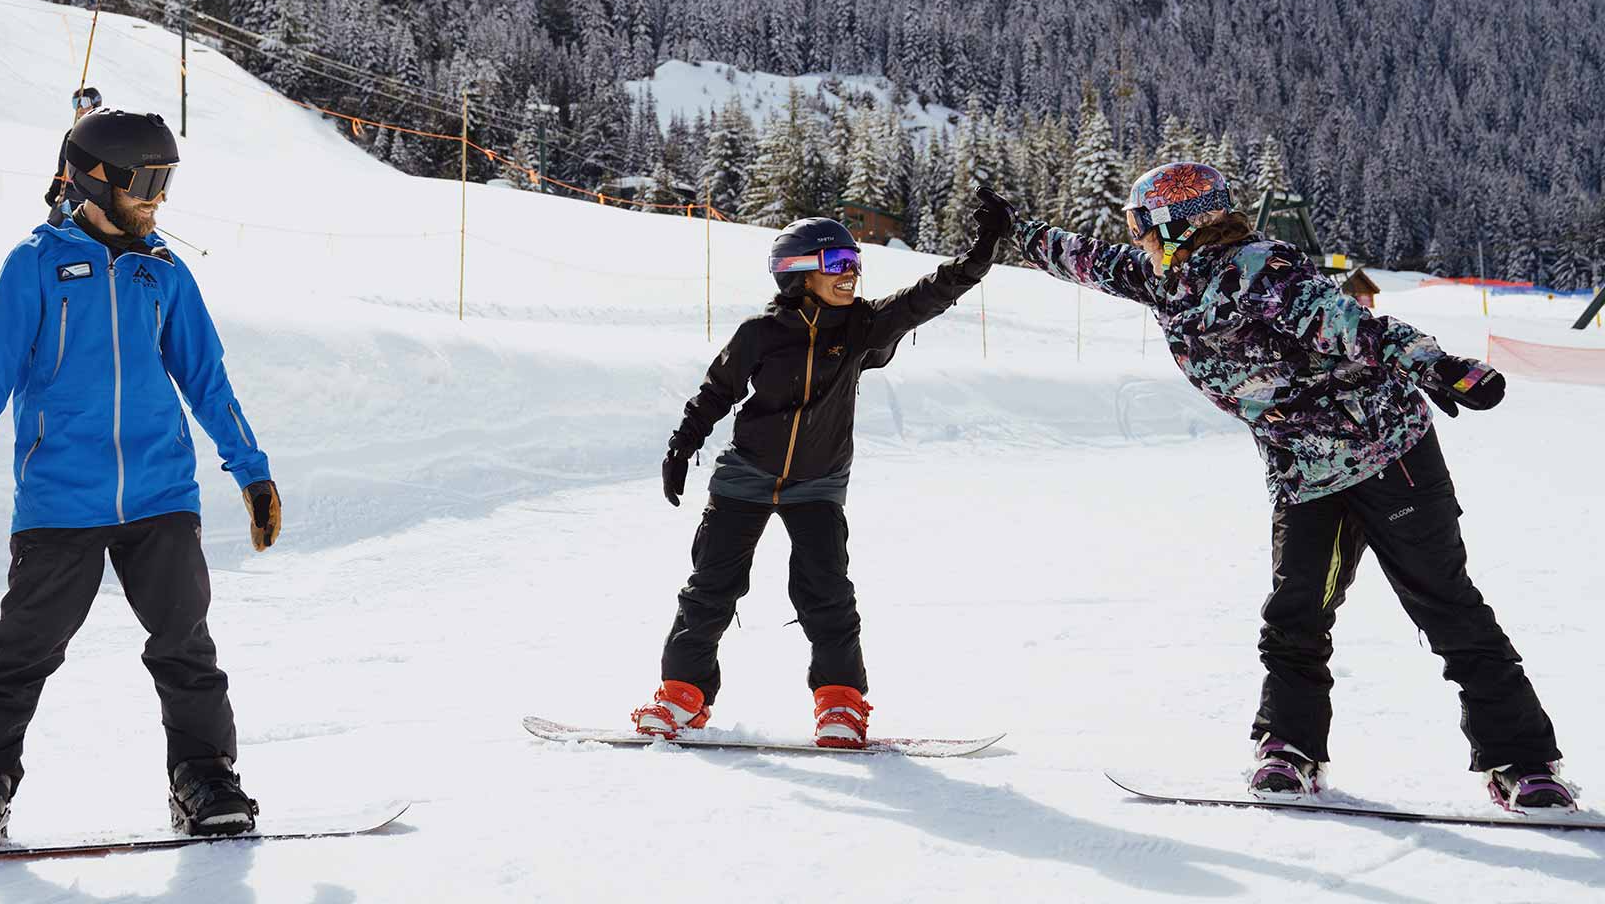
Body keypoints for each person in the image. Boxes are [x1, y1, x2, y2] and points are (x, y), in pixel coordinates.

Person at [997, 162, 1574, 810]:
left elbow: (1355, 325)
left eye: (1142, 227)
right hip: (1304, 474)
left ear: (1178, 224)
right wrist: (1017, 231)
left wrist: (1438, 366)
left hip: (1388, 454)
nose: (1136, 241)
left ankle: (1524, 764)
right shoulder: (1165, 279)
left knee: (1447, 607)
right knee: (1295, 614)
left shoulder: (1259, 271)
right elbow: (1089, 260)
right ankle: (1289, 749)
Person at [0, 109, 285, 850]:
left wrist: (252, 470)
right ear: (94, 178)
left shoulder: (164, 272)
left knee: (185, 647)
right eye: (147, 182)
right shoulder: (36, 265)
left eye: (166, 180)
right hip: (61, 498)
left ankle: (204, 777)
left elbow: (206, 378)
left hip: (161, 493)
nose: (159, 198)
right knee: (21, 655)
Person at [635, 193, 1010, 747]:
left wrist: (978, 256)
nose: (851, 275)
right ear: (798, 272)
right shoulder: (760, 333)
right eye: (838, 264)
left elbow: (924, 298)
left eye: (855, 265)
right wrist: (680, 446)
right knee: (710, 590)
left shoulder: (861, 327)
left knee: (826, 594)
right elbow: (717, 392)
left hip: (818, 484)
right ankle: (681, 697)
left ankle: (841, 704)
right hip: (744, 477)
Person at [44, 86, 102, 226]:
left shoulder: (102, 134)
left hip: (90, 198)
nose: (80, 107)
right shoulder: (71, 134)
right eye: (76, 103)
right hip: (68, 194)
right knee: (54, 229)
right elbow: (63, 164)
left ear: (96, 104)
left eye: (84, 102)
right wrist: (54, 189)